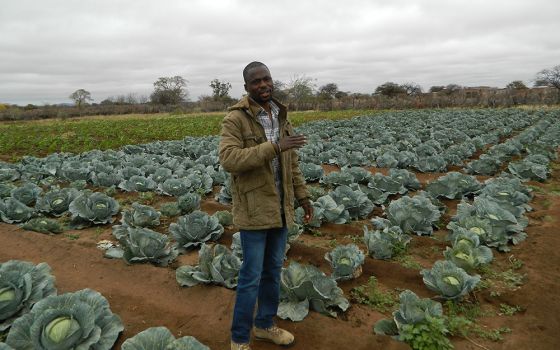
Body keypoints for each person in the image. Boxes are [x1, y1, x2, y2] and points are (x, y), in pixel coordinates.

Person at [219, 61, 313, 350]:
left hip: (281, 208)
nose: (263, 85)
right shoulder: (235, 120)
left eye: (266, 79)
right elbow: (229, 159)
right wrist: (274, 147)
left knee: (273, 271)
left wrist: (303, 197)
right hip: (254, 208)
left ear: (272, 81)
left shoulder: (281, 116)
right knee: (251, 277)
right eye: (256, 81)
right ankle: (238, 340)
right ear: (246, 87)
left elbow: (291, 162)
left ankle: (265, 325)